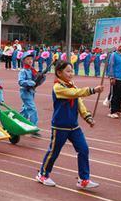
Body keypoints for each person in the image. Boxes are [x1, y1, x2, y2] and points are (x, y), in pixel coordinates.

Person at [36, 60, 103, 189]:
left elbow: (79, 102)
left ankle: (84, 179)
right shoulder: (58, 87)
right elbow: (74, 94)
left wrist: (87, 117)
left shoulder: (72, 85)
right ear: (59, 72)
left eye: (71, 71)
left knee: (83, 150)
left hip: (74, 126)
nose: (71, 73)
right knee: (54, 151)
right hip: (60, 126)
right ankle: (43, 174)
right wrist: (92, 90)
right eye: (68, 71)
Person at [18, 50, 46, 135]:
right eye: (28, 59)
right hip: (25, 92)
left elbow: (37, 81)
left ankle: (19, 123)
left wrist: (41, 78)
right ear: (23, 61)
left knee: (25, 110)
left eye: (31, 59)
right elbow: (20, 81)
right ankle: (34, 128)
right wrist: (30, 83)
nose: (30, 61)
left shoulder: (32, 70)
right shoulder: (23, 71)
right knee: (32, 109)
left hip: (31, 92)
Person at [106, 46, 121, 118]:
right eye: (119, 46)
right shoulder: (114, 55)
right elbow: (111, 66)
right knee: (114, 95)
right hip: (115, 78)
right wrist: (112, 77)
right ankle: (112, 111)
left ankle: (118, 110)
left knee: (120, 95)